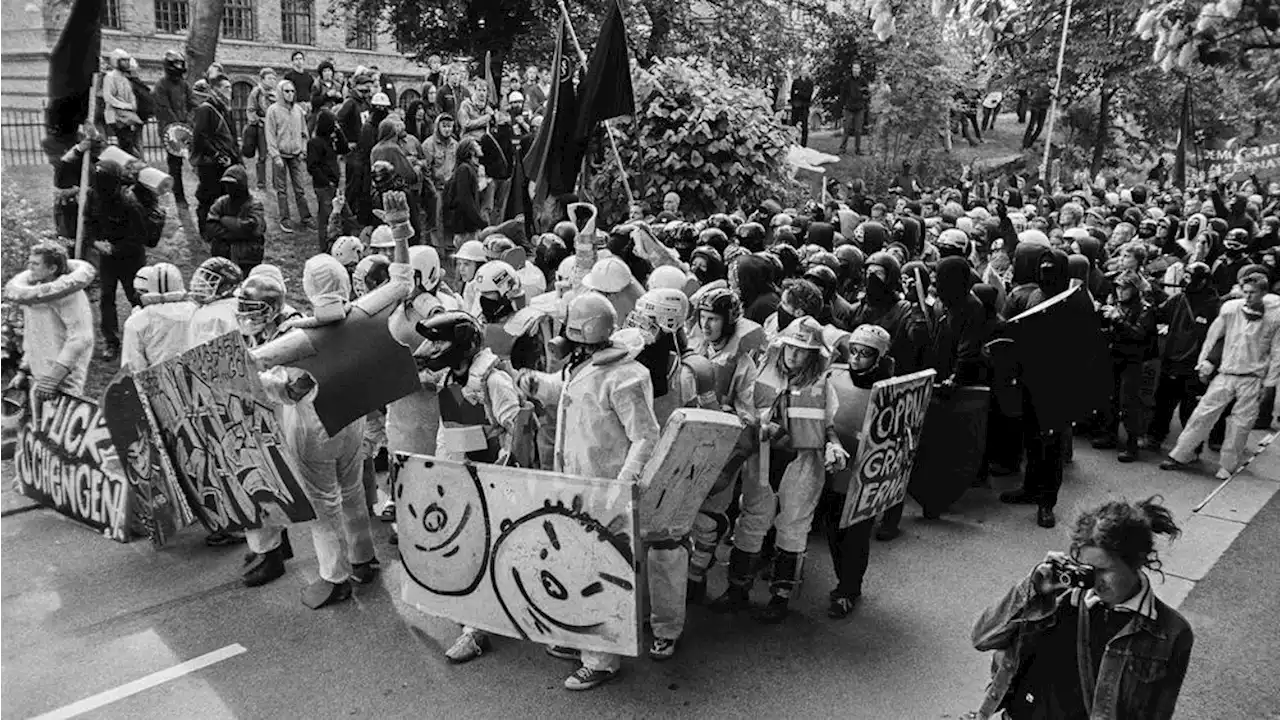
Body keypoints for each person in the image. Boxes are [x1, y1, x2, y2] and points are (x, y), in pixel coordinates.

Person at [515, 291, 660, 690]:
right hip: (575, 484)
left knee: (600, 572)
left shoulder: (625, 376)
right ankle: (579, 639)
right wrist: (534, 383)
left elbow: (645, 436)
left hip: (604, 489)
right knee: (572, 566)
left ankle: (601, 659)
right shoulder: (586, 365)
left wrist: (623, 484)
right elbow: (565, 392)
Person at [971, 497, 1193, 720]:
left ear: (1136, 561)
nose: (1094, 581)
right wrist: (1033, 588)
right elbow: (982, 638)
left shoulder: (1170, 632)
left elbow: (1157, 714)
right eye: (1086, 569)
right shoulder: (1057, 601)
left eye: (1104, 570)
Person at [257, 255, 378, 608]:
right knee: (353, 490)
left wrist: (265, 383)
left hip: (313, 424)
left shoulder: (299, 335)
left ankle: (335, 577)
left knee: (321, 506)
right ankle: (363, 557)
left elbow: (286, 386)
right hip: (352, 415)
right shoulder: (360, 318)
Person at [709, 317, 849, 623]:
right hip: (761, 460)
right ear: (781, 346)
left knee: (794, 526)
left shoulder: (823, 386)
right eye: (792, 348)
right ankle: (737, 589)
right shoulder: (761, 376)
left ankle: (781, 596)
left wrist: (833, 447)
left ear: (814, 355)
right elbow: (746, 411)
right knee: (752, 519)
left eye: (803, 351)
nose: (795, 355)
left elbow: (827, 427)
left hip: (802, 463)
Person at [1161, 267, 1280, 480]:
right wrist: (1203, 362)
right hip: (1226, 372)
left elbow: (1277, 352)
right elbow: (1213, 336)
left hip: (1252, 377)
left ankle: (1228, 464)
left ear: (1263, 293)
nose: (1247, 297)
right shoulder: (1231, 309)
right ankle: (1182, 453)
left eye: (1252, 292)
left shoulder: (1274, 317)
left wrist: (1269, 384)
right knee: (1202, 414)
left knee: (1240, 425)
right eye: (1245, 291)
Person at [819, 324, 893, 618]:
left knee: (856, 537)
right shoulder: (833, 376)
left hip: (866, 476)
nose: (856, 359)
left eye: (865, 354)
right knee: (833, 529)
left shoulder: (889, 390)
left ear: (878, 358)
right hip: (833, 468)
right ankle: (846, 581)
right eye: (855, 351)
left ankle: (848, 589)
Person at [84, 156, 160, 362]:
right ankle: (111, 341)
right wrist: (95, 243)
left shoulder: (130, 204)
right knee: (107, 297)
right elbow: (87, 223)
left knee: (135, 297)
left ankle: (148, 335)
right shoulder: (92, 196)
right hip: (107, 256)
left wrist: (115, 248)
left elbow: (139, 238)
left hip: (130, 259)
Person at [3, 243, 95, 401]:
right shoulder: (33, 295)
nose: (29, 267)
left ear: (52, 268)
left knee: (61, 423)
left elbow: (81, 338)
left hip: (64, 377)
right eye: (29, 262)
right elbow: (33, 335)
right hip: (38, 375)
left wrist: (54, 377)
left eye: (36, 264)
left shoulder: (71, 296)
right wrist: (24, 370)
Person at [1147, 263, 1220, 449]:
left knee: (1190, 409)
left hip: (1194, 364)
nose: (1184, 281)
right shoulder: (1179, 298)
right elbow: (1160, 314)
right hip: (1172, 359)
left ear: (1202, 281)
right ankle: (1155, 437)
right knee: (1163, 403)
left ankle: (1191, 448)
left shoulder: (1213, 306)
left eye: (1189, 277)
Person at [1094, 271, 1158, 463]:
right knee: (1109, 398)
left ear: (1135, 289)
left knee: (1128, 402)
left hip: (1134, 361)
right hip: (1115, 356)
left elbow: (1139, 334)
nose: (1121, 292)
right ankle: (1110, 434)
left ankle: (1132, 445)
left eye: (1126, 288)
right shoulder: (1116, 305)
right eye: (1119, 287)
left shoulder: (1145, 309)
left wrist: (1117, 319)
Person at [121, 263, 196, 373]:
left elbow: (133, 366)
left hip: (159, 384)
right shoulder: (197, 311)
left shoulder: (137, 321)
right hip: (199, 381)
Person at [191, 75, 238, 237]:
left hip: (225, 161)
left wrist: (236, 157)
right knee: (207, 197)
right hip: (209, 162)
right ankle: (205, 230)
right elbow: (200, 137)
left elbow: (231, 136)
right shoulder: (206, 108)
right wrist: (216, 154)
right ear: (215, 90)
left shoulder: (226, 108)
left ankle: (218, 227)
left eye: (231, 87)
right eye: (226, 88)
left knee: (223, 196)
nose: (229, 91)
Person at [265, 79, 312, 234]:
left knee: (299, 188)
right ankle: (285, 219)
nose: (290, 94)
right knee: (282, 189)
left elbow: (304, 132)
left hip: (296, 154)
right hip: (280, 154)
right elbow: (270, 135)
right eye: (286, 91)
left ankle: (306, 217)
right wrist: (275, 155)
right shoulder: (273, 110)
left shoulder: (298, 110)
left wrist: (303, 149)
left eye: (292, 91)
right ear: (280, 92)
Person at [152, 49, 196, 208]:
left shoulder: (184, 85)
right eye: (175, 63)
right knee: (175, 164)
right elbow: (164, 109)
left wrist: (188, 123)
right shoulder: (161, 85)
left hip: (186, 129)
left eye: (180, 63)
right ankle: (179, 196)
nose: (178, 66)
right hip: (170, 131)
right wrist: (177, 128)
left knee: (193, 160)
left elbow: (192, 103)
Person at [204, 165, 266, 277]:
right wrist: (234, 233)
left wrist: (224, 220)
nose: (229, 188)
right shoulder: (221, 202)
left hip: (247, 259)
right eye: (227, 185)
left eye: (232, 185)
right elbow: (210, 227)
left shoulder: (254, 205)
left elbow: (252, 228)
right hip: (222, 256)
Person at [308, 107, 348, 252]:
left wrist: (338, 131)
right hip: (324, 185)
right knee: (326, 217)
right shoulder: (315, 143)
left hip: (333, 184)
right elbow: (312, 167)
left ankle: (334, 243)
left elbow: (344, 149)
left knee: (338, 214)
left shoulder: (331, 140)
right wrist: (326, 182)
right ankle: (324, 247)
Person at [423, 114, 459, 246]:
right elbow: (425, 169)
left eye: (449, 126)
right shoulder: (428, 144)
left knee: (450, 217)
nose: (447, 130)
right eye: (444, 126)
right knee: (436, 219)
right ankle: (436, 247)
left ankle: (450, 245)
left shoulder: (455, 145)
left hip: (451, 188)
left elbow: (458, 166)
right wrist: (431, 188)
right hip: (435, 188)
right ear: (438, 126)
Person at [444, 138, 486, 247]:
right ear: (471, 151)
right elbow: (465, 200)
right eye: (477, 145)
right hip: (465, 228)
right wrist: (480, 222)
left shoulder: (467, 168)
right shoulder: (464, 169)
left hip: (467, 226)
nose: (480, 147)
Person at [102, 49, 142, 157]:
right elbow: (108, 97)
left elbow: (131, 95)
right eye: (123, 60)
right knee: (123, 144)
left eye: (127, 60)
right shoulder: (110, 77)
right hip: (115, 116)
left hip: (127, 117)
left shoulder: (125, 78)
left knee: (128, 143)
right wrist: (125, 106)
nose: (126, 63)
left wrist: (133, 105)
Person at [246, 68, 278, 190]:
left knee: (276, 155)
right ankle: (261, 183)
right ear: (262, 79)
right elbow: (250, 110)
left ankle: (277, 183)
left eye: (274, 79)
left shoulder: (276, 93)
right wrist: (259, 120)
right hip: (262, 127)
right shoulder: (256, 92)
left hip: (275, 128)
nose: (272, 81)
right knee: (262, 156)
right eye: (269, 78)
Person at [837, 61, 871, 155]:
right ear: (852, 69)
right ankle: (842, 149)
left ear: (859, 70)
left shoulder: (863, 80)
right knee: (846, 128)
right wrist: (843, 105)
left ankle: (858, 149)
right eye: (854, 68)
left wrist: (863, 100)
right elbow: (843, 94)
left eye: (857, 68)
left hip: (859, 108)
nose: (855, 70)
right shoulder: (847, 80)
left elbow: (867, 93)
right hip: (849, 108)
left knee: (858, 130)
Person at [283, 51, 315, 118]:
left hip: (308, 105)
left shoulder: (308, 76)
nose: (299, 61)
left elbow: (311, 91)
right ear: (293, 62)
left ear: (303, 61)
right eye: (296, 59)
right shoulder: (289, 76)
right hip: (295, 105)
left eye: (300, 59)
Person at [1021, 79, 1051, 150]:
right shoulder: (1044, 88)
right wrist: (1049, 98)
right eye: (1052, 79)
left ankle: (1030, 143)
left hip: (1043, 109)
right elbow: (1038, 99)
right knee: (1031, 126)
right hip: (1036, 108)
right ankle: (1025, 145)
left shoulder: (1054, 89)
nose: (1054, 81)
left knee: (1040, 127)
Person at [789, 67, 815, 147]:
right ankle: (793, 143)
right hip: (796, 106)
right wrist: (798, 96)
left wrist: (799, 93)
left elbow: (808, 95)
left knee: (804, 127)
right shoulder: (796, 82)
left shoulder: (810, 83)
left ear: (808, 72)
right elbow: (792, 94)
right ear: (800, 72)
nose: (804, 72)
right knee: (793, 125)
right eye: (803, 71)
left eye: (806, 71)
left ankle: (803, 145)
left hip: (804, 107)